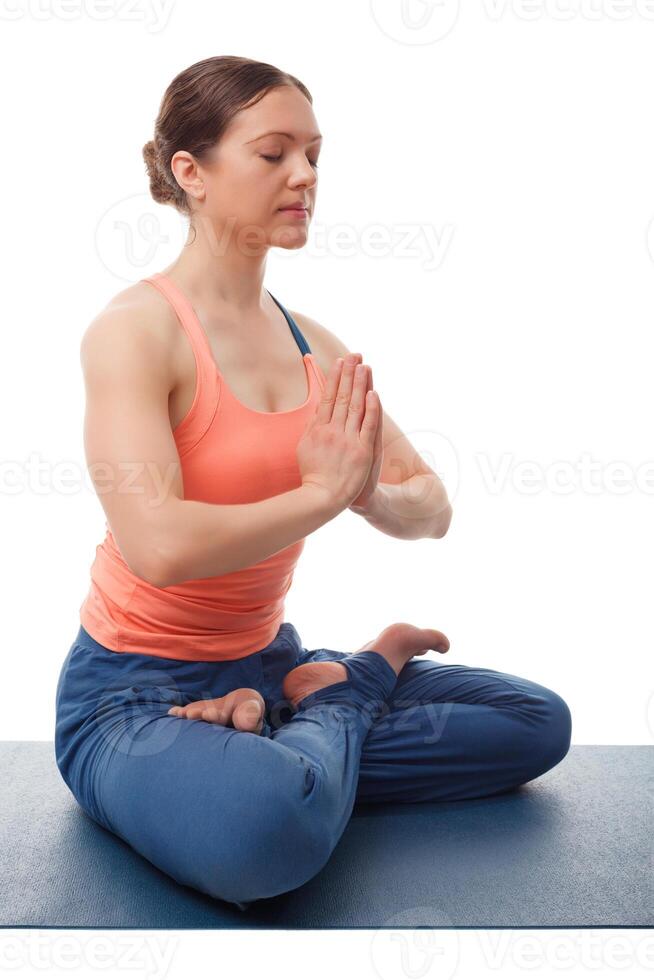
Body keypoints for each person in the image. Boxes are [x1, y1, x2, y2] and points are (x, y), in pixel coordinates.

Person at [54, 55, 572, 911]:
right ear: (192, 172)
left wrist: (369, 492)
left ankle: (284, 719)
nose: (305, 176)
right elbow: (160, 545)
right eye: (274, 154)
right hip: (132, 700)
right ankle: (340, 703)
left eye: (315, 156)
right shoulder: (134, 333)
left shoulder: (316, 347)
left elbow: (430, 507)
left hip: (269, 661)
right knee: (266, 837)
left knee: (534, 725)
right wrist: (323, 495)